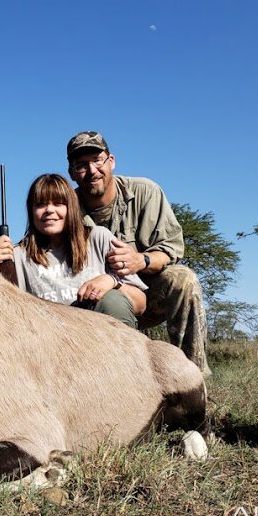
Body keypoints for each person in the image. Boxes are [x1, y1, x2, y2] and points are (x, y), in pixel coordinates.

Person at [65, 131, 212, 377]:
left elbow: (170, 249)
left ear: (111, 160)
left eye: (97, 160)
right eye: (81, 165)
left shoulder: (146, 191)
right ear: (71, 173)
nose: (91, 171)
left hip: (146, 296)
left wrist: (141, 260)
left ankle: (194, 380)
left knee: (183, 280)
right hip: (90, 304)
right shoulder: (64, 206)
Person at [0, 173, 146, 328]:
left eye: (58, 203)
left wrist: (112, 281)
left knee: (112, 301)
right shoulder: (17, 255)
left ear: (72, 208)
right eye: (40, 204)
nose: (49, 210)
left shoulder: (99, 238)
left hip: (99, 339)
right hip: (49, 343)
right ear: (31, 211)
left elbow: (140, 304)